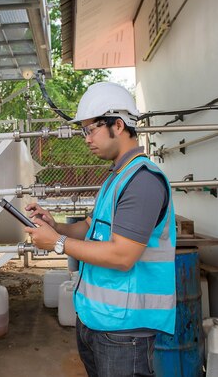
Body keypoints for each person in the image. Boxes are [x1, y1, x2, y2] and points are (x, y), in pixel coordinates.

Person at [24, 82, 176, 377]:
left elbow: (122, 256)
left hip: (124, 330)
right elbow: (89, 228)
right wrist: (55, 225)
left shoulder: (142, 181)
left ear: (117, 125)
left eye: (90, 129)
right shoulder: (117, 177)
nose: (86, 139)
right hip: (99, 321)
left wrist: (57, 243)